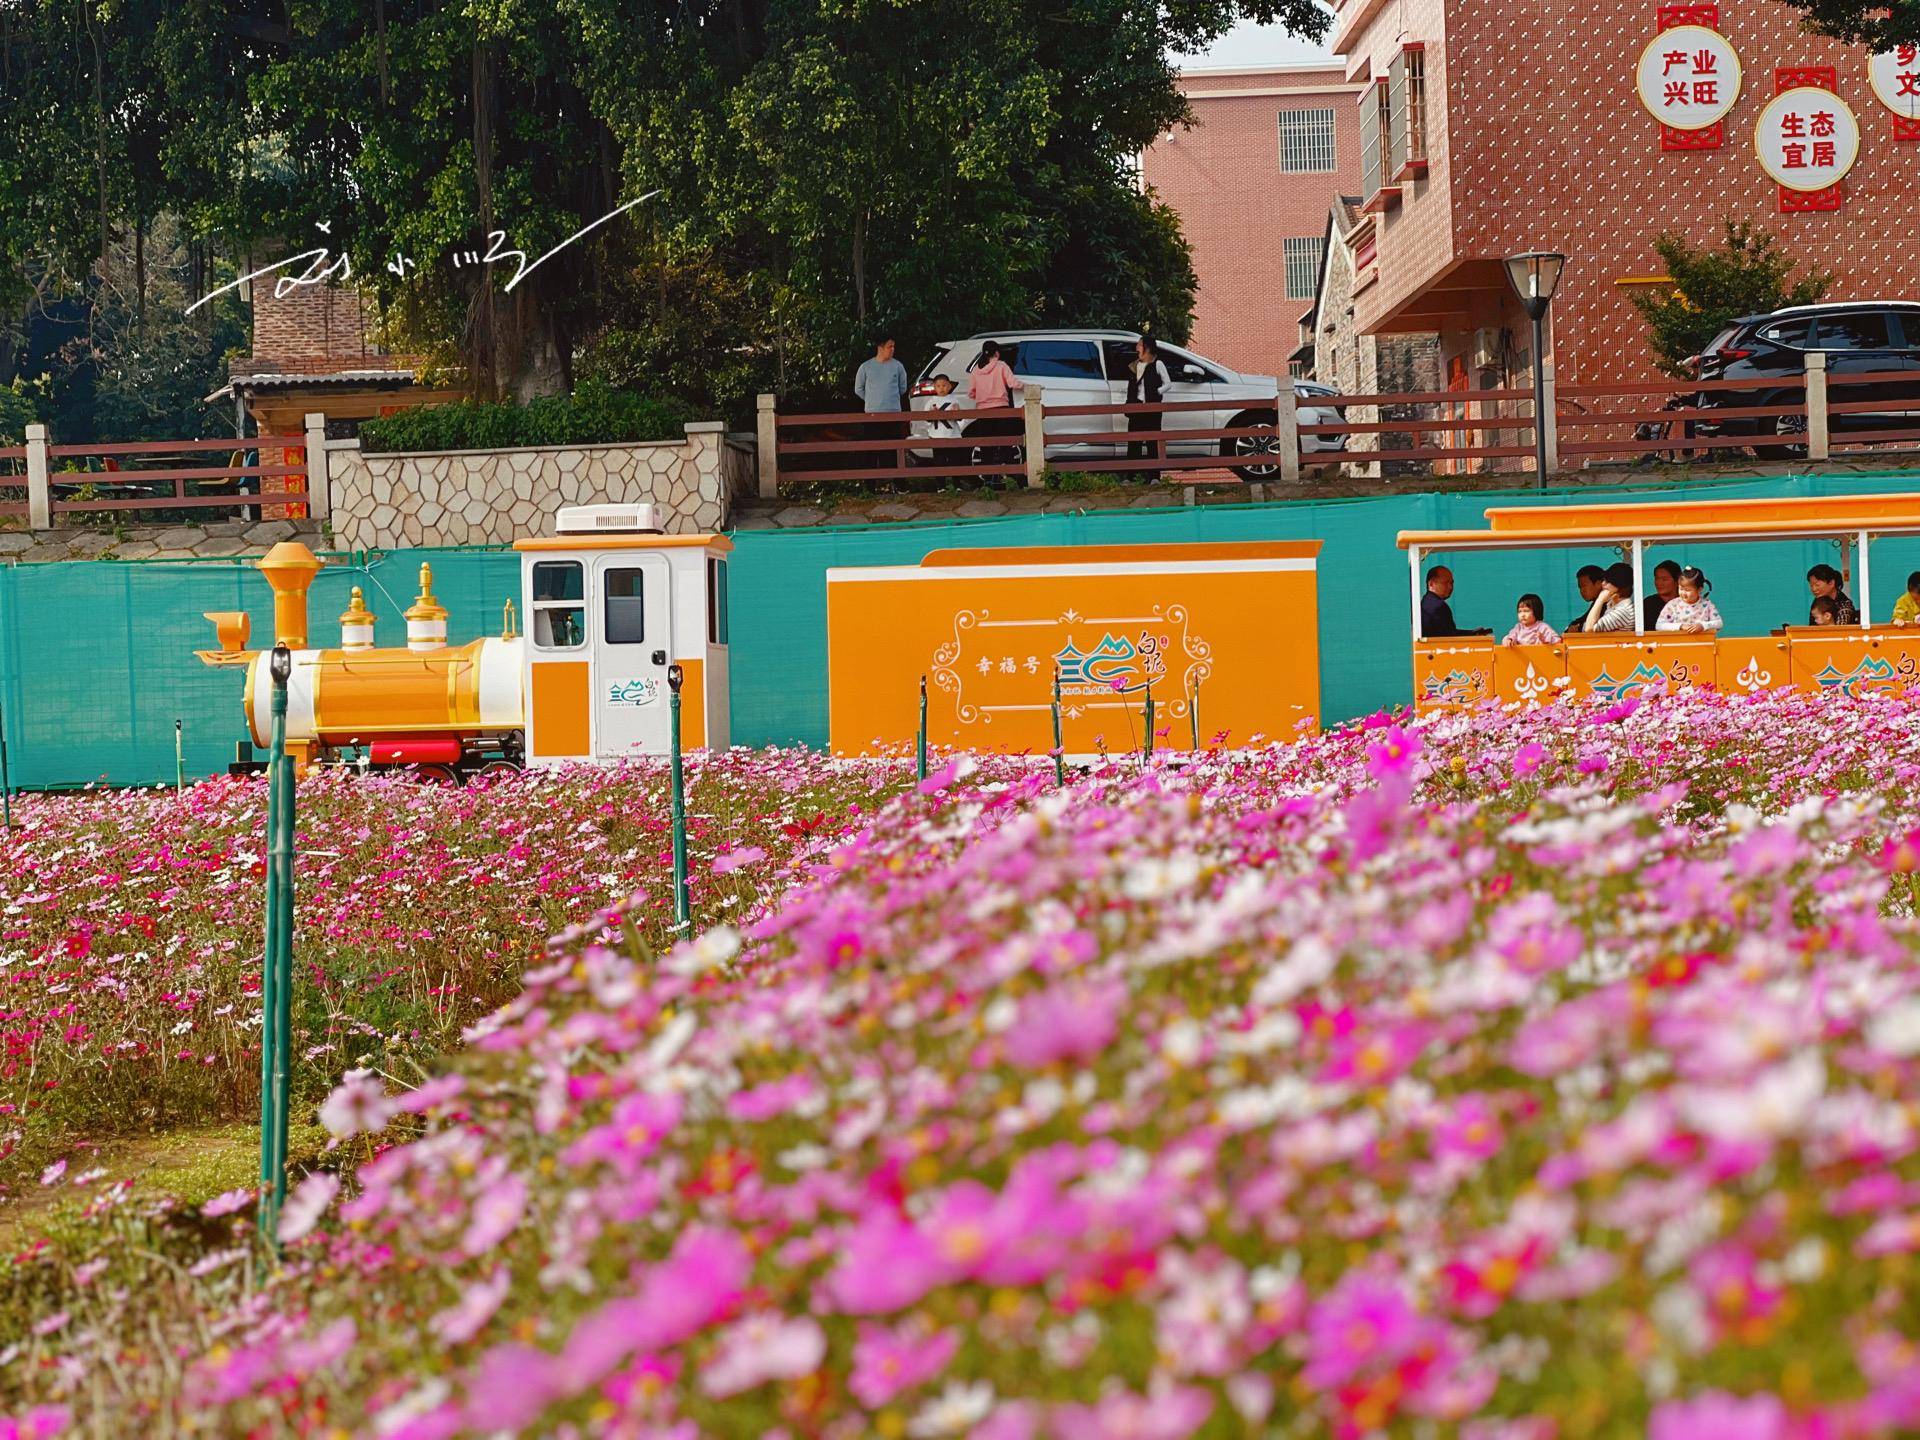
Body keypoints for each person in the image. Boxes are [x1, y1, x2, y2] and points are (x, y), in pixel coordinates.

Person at [966, 341, 1024, 474]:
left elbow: (971, 392)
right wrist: (1028, 387)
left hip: (983, 412)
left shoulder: (976, 370)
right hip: (1001, 409)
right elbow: (1013, 383)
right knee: (1006, 442)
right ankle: (1009, 474)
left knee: (987, 444)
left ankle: (988, 476)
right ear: (997, 352)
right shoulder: (1001, 365)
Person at [854, 336, 910, 471]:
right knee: (871, 450)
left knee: (894, 450)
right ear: (880, 347)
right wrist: (872, 401)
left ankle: (898, 484)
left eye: (893, 346)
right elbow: (858, 389)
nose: (892, 349)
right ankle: (870, 486)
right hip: (872, 415)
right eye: (889, 346)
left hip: (893, 414)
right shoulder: (866, 367)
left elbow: (902, 388)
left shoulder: (898, 366)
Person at [1125, 335, 1172, 482]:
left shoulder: (1158, 364)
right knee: (1133, 443)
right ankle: (1131, 477)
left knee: (1153, 443)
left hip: (1152, 408)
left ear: (1147, 347)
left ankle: (1154, 477)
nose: (1136, 348)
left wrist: (1156, 392)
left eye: (1139, 345)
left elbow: (1168, 383)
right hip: (1136, 407)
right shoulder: (1134, 365)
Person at [1655, 566, 1723, 634]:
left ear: (1699, 589)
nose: (1683, 593)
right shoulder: (1673, 605)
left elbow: (1719, 623)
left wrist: (1703, 626)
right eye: (1681, 589)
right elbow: (1659, 625)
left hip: (1703, 643)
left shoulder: (1707, 605)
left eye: (1687, 590)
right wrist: (1680, 626)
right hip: (1679, 643)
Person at [1580, 562, 1638, 633]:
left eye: (1607, 582)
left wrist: (1600, 599)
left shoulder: (1623, 611)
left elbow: (1588, 629)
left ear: (1618, 585)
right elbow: (1585, 628)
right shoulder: (1613, 603)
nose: (1603, 584)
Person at [1565, 565, 1607, 634]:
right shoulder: (1596, 602)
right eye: (1580, 587)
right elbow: (1582, 620)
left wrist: (1576, 628)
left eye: (1584, 586)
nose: (1582, 590)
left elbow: (1589, 626)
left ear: (1598, 584)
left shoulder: (1607, 604)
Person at [1644, 559, 1682, 632]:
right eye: (1657, 578)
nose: (1659, 583)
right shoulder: (1648, 604)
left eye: (1664, 579)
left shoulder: (1685, 603)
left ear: (1677, 581)